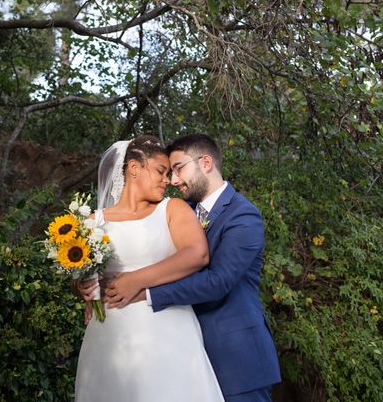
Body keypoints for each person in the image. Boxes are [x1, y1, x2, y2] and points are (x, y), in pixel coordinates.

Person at [105, 134, 282, 402]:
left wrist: (145, 292)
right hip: (183, 354)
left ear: (206, 162)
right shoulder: (178, 211)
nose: (174, 181)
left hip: (235, 356)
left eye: (179, 168)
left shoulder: (243, 216)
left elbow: (218, 281)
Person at [74, 135, 224, 402]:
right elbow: (82, 273)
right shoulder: (92, 222)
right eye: (160, 171)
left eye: (169, 173)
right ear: (134, 168)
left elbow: (197, 254)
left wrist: (135, 280)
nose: (168, 181)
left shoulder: (172, 209)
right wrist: (83, 286)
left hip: (167, 329)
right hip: (109, 333)